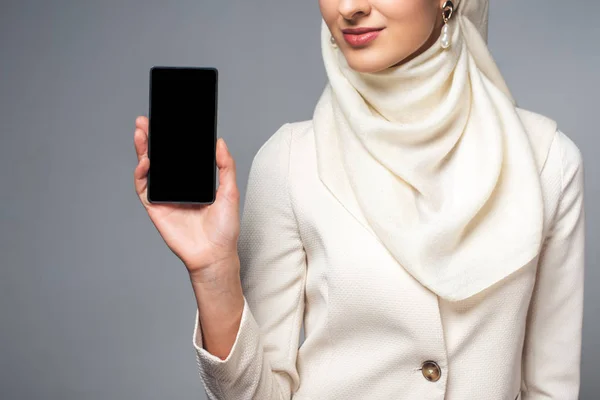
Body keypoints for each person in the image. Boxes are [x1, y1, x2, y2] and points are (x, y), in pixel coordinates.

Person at [133, 0, 585, 399]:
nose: (348, 7)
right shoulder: (291, 161)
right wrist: (213, 274)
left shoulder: (545, 161)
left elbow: (552, 388)